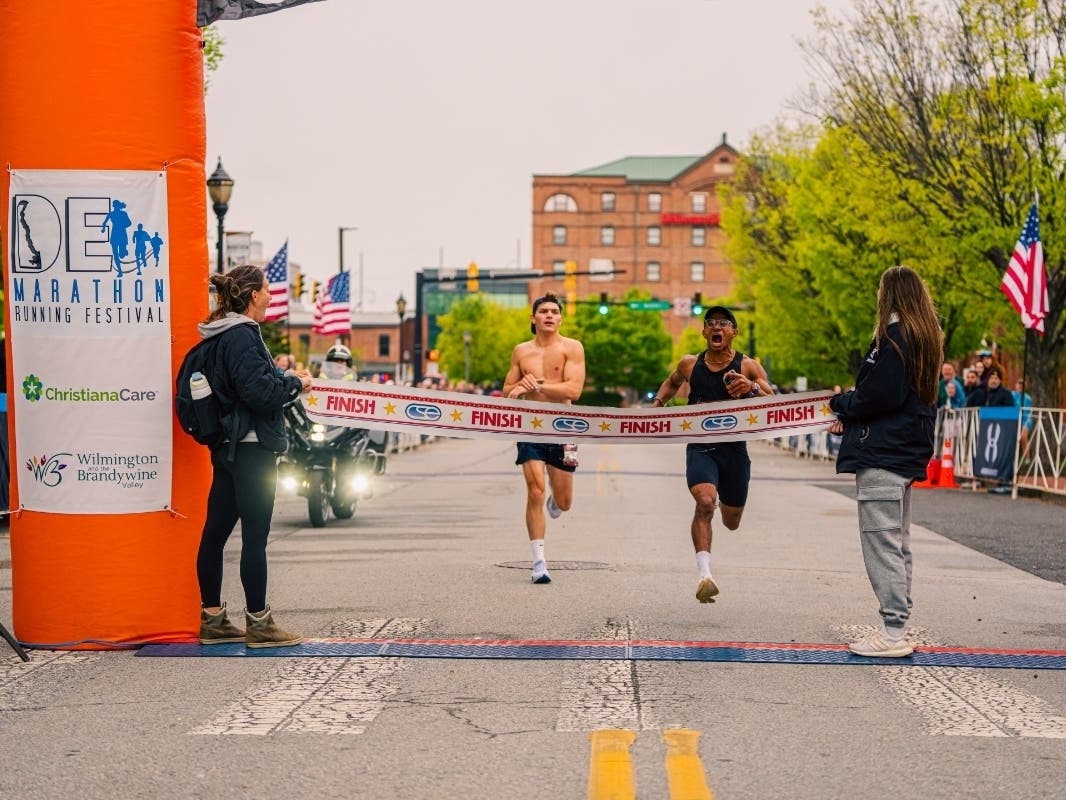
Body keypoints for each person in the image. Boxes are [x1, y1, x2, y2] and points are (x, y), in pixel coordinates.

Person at [196, 264, 313, 648]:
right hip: (252, 449)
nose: (271, 296)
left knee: (214, 536)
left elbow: (249, 384)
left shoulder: (217, 335)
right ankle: (259, 623)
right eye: (266, 290)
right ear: (251, 296)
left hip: (227, 447)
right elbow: (259, 393)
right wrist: (296, 383)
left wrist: (283, 380)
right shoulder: (243, 335)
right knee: (255, 537)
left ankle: (212, 619)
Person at [828, 265, 943, 658]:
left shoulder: (895, 337)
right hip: (905, 446)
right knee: (897, 541)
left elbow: (879, 394)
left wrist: (842, 404)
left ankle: (893, 629)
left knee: (881, 541)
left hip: (884, 451)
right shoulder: (925, 337)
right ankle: (898, 622)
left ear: (889, 294)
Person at [650, 305, 773, 604]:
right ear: (704, 332)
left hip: (734, 452)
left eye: (724, 323)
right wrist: (658, 402)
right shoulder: (690, 364)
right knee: (706, 502)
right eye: (711, 323)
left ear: (734, 332)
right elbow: (671, 383)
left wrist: (752, 388)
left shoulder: (748, 366)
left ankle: (724, 513)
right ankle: (705, 575)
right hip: (701, 447)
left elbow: (773, 401)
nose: (717, 327)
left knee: (731, 521)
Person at [502, 293, 586, 584]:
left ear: (560, 318)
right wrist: (517, 389)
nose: (549, 315)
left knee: (564, 502)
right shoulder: (521, 351)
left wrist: (536, 384)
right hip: (530, 428)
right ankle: (539, 561)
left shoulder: (572, 348)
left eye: (554, 311)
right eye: (544, 311)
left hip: (563, 427)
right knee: (535, 489)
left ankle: (556, 504)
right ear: (533, 318)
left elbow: (573, 391)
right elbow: (508, 389)